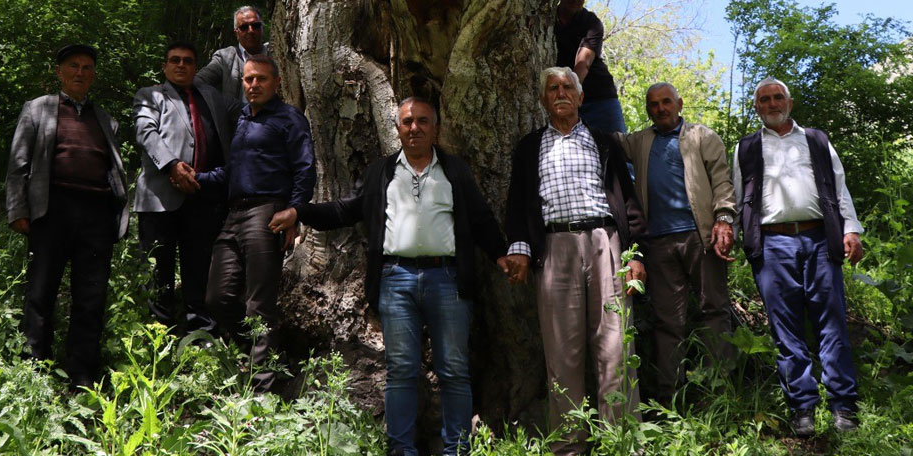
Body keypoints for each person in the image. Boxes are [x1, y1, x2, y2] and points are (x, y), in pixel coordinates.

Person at [270, 97, 511, 456]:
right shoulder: (381, 172)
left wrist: (502, 254)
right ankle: (401, 450)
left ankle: (456, 449)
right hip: (395, 279)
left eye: (423, 121)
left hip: (447, 278)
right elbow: (346, 209)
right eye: (407, 122)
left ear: (436, 128)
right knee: (401, 370)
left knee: (454, 370)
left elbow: (480, 218)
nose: (415, 128)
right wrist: (299, 212)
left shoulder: (454, 171)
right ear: (397, 128)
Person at [501, 67, 646, 456]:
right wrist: (519, 247)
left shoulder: (604, 143)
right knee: (561, 351)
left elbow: (628, 200)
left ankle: (622, 439)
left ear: (581, 98)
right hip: (553, 248)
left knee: (616, 345)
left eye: (568, 87)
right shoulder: (529, 147)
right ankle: (569, 445)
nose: (561, 93)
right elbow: (517, 204)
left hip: (606, 243)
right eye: (553, 88)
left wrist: (634, 255)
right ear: (544, 99)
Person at [732, 77, 864, 437]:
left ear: (789, 103)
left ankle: (844, 407)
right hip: (772, 246)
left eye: (778, 98)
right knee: (785, 330)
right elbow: (735, 198)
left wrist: (851, 229)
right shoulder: (746, 148)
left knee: (832, 324)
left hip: (820, 240)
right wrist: (726, 228)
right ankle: (802, 407)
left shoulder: (816, 140)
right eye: (765, 99)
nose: (772, 104)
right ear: (756, 106)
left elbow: (839, 188)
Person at [4, 44, 129, 389]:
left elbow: (113, 169)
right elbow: (18, 164)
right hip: (52, 209)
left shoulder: (104, 119)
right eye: (73, 66)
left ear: (93, 75)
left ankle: (82, 374)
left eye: (87, 67)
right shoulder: (38, 109)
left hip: (96, 215)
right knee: (40, 292)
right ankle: (34, 370)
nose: (80, 72)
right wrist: (18, 209)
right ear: (59, 71)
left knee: (91, 296)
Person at [196, 54, 314, 392]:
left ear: (277, 83)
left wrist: (295, 211)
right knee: (216, 298)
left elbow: (305, 169)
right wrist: (199, 178)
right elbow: (232, 171)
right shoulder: (243, 120)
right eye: (248, 79)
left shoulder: (289, 118)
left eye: (261, 79)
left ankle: (262, 388)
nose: (253, 85)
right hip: (234, 213)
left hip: (268, 212)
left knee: (259, 303)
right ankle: (263, 356)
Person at [618, 82, 736, 399]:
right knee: (667, 322)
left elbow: (722, 182)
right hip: (658, 244)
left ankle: (718, 391)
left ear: (679, 103)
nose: (660, 109)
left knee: (714, 311)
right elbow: (607, 141)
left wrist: (724, 219)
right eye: (653, 104)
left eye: (666, 102)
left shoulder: (702, 137)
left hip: (701, 237)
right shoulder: (639, 141)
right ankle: (671, 397)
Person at [132, 41, 242, 334]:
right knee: (158, 270)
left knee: (200, 267)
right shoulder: (150, 95)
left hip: (204, 197)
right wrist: (172, 165)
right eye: (175, 60)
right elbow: (146, 132)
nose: (181, 65)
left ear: (196, 67)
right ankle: (160, 335)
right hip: (160, 198)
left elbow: (245, 110)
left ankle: (201, 333)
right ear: (165, 66)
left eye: (188, 61)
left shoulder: (211, 96)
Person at [554, 0, 626, 133]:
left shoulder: (591, 23)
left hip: (599, 98)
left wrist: (569, 94)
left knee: (619, 150)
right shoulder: (547, 19)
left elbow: (583, 63)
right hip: (562, 99)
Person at [196, 6, 270, 102]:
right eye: (244, 27)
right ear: (236, 33)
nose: (250, 31)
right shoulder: (225, 58)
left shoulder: (275, 53)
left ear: (262, 28)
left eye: (255, 26)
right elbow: (199, 82)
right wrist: (223, 104)